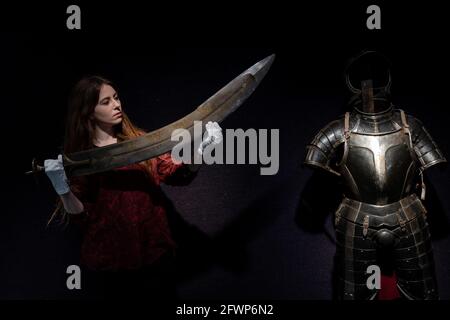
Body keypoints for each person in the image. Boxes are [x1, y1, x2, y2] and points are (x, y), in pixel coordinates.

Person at [44, 75, 222, 299]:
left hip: (153, 255)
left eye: (116, 98)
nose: (116, 105)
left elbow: (178, 175)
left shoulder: (139, 142)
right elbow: (80, 216)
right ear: (88, 111)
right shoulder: (78, 160)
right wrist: (62, 188)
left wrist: (202, 150)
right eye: (105, 102)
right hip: (109, 265)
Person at [304, 51, 446, 299]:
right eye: (362, 77)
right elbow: (314, 159)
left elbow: (434, 161)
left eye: (374, 74)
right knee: (353, 294)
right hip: (357, 218)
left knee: (424, 292)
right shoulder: (340, 129)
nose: (368, 84)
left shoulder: (410, 126)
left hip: (407, 214)